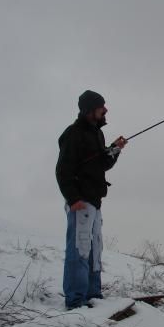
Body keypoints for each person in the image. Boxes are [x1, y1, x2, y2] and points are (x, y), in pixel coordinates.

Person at [55, 90, 127, 309]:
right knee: (80, 248)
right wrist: (73, 197)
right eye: (100, 106)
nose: (105, 110)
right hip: (81, 202)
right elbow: (63, 169)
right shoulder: (73, 133)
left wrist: (115, 149)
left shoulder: (97, 134)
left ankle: (93, 296)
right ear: (89, 110)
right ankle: (75, 301)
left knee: (95, 248)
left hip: (95, 202)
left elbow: (101, 164)